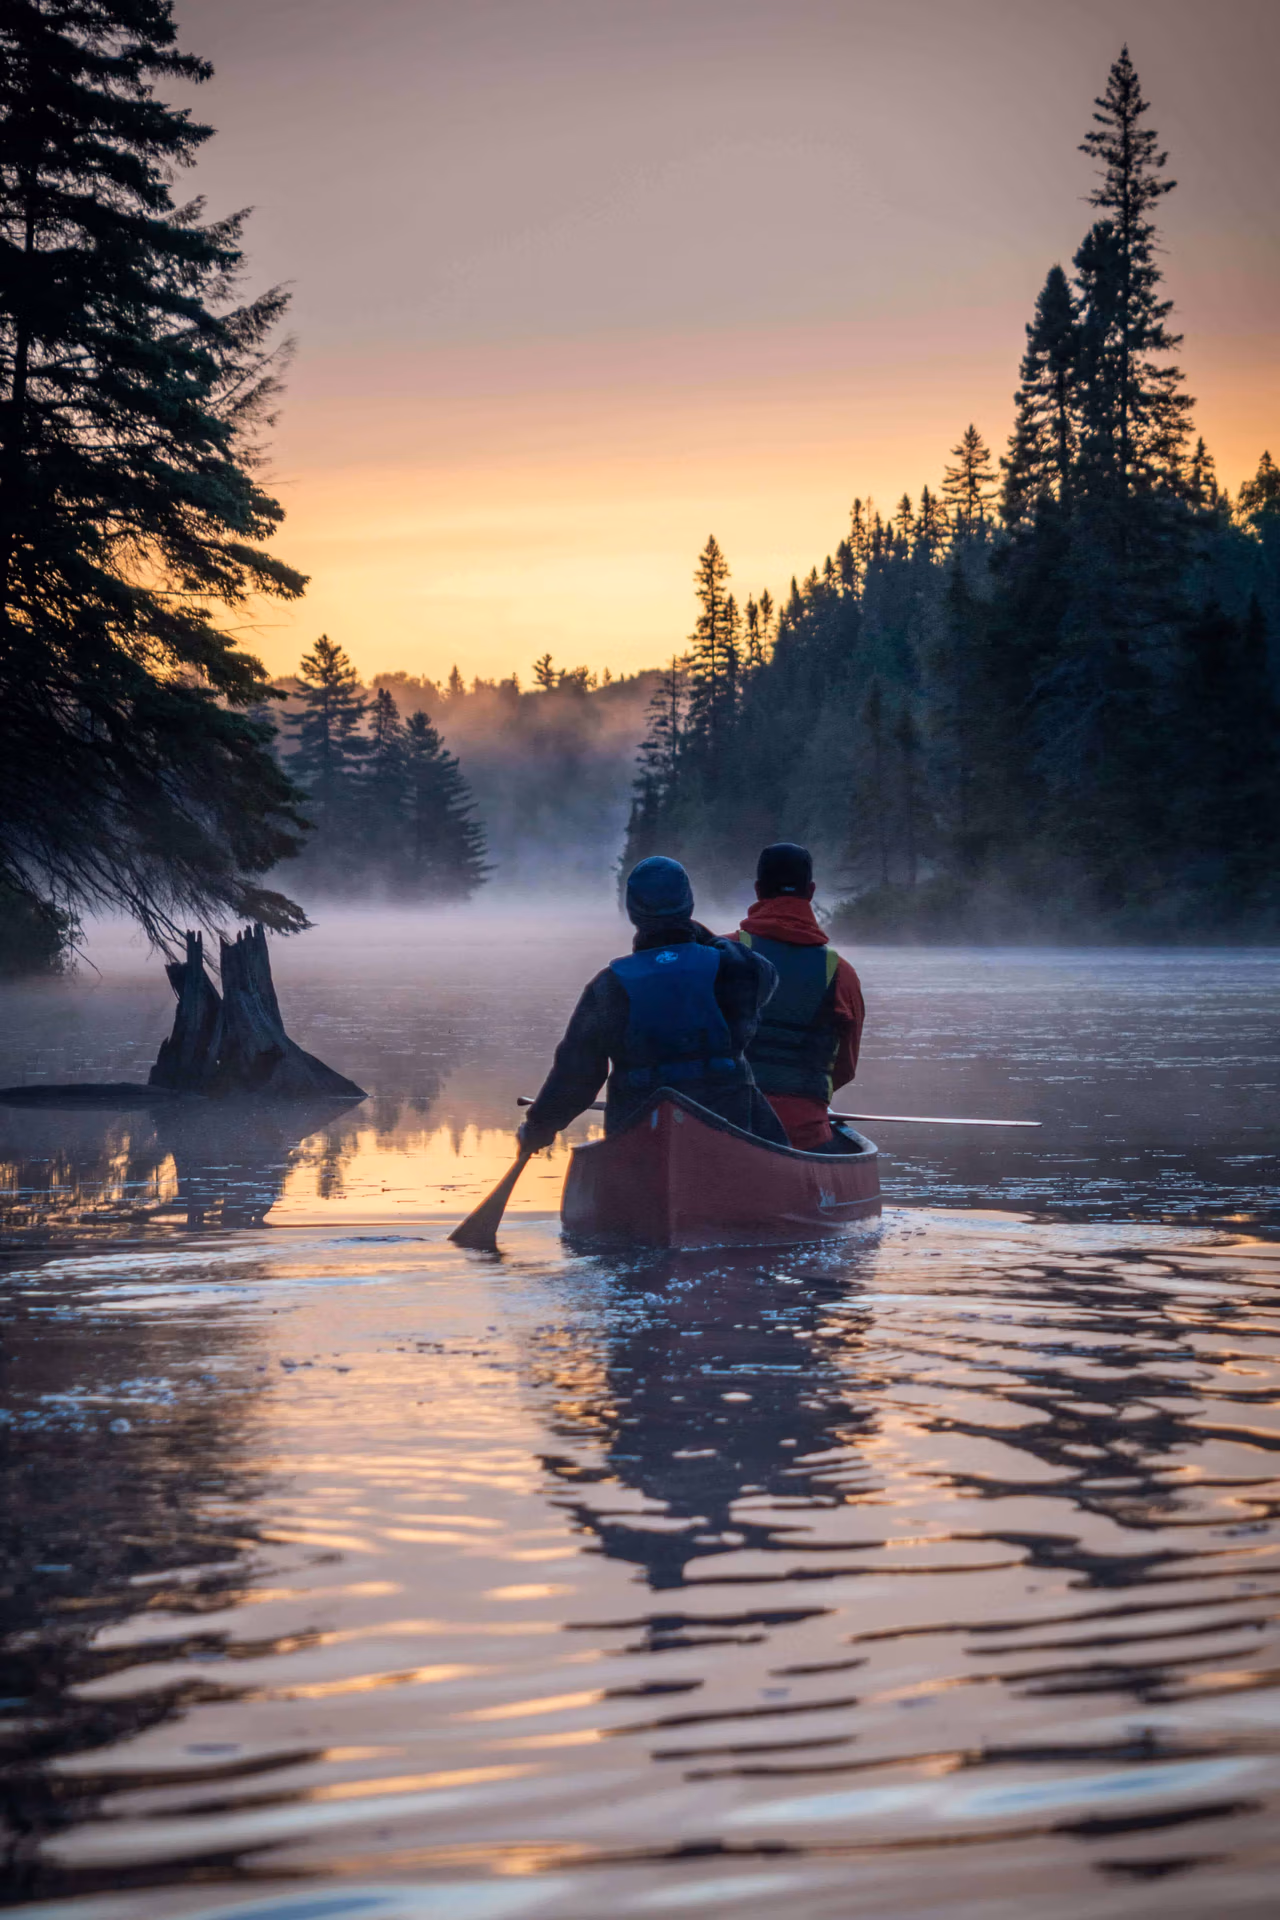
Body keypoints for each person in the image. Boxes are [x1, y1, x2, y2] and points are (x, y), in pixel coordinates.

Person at [518, 855, 788, 1152]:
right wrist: (698, 935)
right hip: (730, 1131)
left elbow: (576, 1077)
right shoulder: (734, 967)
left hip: (637, 1140)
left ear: (633, 912)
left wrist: (538, 1128)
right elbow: (767, 979)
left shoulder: (608, 986)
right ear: (689, 905)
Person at [730, 842, 865, 1151]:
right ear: (811, 891)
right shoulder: (842, 973)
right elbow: (844, 1068)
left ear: (758, 890)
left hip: (728, 1122)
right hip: (805, 1134)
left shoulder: (721, 953)